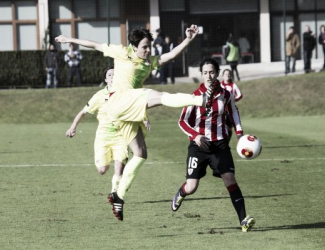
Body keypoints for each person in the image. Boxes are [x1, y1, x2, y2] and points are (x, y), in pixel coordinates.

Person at [55, 25, 215, 221]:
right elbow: (94, 45)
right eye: (145, 47)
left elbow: (170, 55)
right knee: (161, 95)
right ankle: (200, 100)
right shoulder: (121, 52)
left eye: (150, 47)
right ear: (134, 46)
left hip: (126, 112)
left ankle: (118, 196)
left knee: (140, 153)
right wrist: (69, 39)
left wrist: (188, 40)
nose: (148, 51)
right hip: (118, 102)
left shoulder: (148, 62)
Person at [171, 58, 255, 232]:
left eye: (211, 72)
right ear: (201, 74)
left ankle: (244, 220)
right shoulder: (194, 96)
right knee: (192, 187)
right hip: (199, 147)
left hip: (220, 145)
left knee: (230, 179)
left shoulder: (226, 94)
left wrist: (240, 135)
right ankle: (181, 192)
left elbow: (234, 114)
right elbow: (182, 121)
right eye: (205, 73)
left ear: (217, 73)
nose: (208, 76)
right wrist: (195, 136)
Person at [66, 66, 128, 193]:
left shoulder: (125, 93)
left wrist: (144, 119)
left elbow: (137, 107)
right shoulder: (99, 96)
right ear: (106, 79)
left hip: (121, 136)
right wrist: (73, 127)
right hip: (103, 136)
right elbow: (83, 112)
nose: (112, 77)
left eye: (115, 74)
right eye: (110, 75)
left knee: (119, 167)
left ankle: (115, 194)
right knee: (102, 170)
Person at [220, 68, 243, 142]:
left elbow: (239, 95)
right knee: (223, 127)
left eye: (229, 74)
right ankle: (224, 142)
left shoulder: (233, 85)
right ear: (223, 76)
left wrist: (233, 100)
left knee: (234, 127)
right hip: (222, 110)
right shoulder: (219, 85)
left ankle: (238, 143)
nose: (227, 75)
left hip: (231, 109)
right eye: (226, 74)